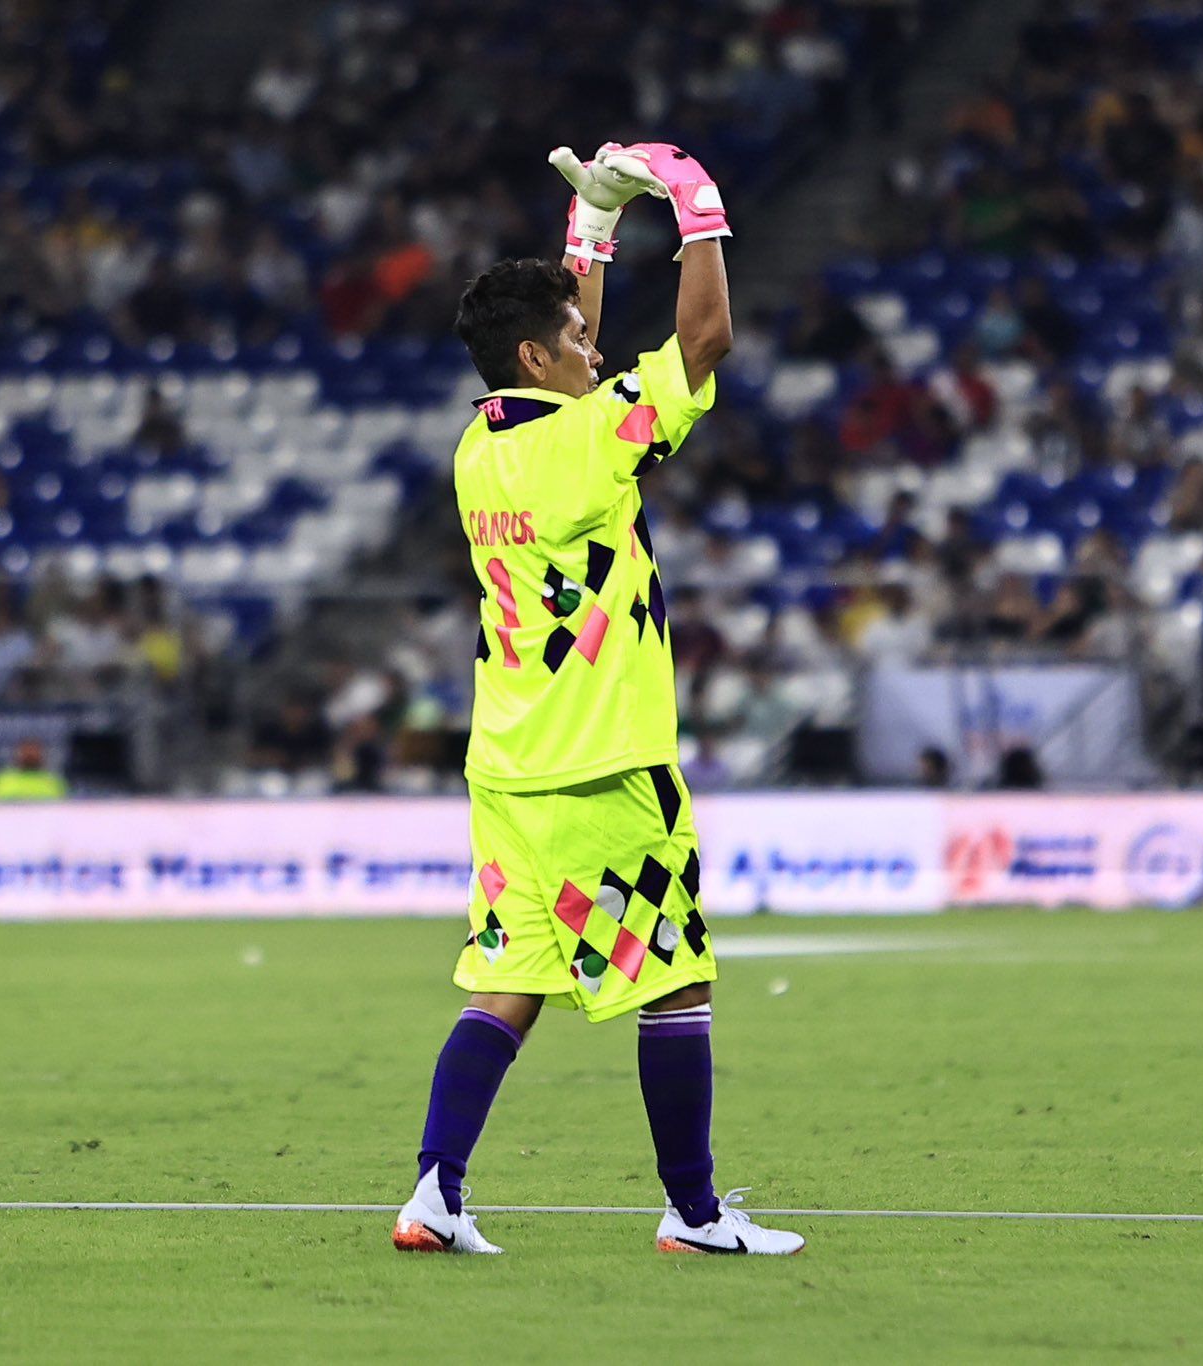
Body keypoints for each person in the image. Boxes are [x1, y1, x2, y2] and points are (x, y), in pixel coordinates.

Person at [393, 142, 802, 1258]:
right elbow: (704, 342)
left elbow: (569, 353)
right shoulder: (587, 443)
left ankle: (434, 1192)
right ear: (536, 352)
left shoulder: (481, 445)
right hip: (602, 767)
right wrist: (693, 197)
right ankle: (695, 1212)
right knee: (677, 981)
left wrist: (590, 229)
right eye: (577, 332)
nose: (595, 339)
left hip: (508, 771)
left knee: (510, 985)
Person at [0, 739, 67, 801]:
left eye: (34, 752)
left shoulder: (54, 781)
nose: (29, 755)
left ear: (42, 756)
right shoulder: (0, 780)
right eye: (25, 752)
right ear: (16, 755)